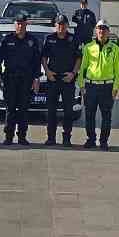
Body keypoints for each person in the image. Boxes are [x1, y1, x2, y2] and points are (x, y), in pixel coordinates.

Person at [0, 13, 42, 145]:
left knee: (23, 109)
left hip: (26, 80)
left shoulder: (32, 41)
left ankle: (22, 136)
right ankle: (8, 136)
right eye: (18, 23)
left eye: (22, 23)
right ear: (14, 24)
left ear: (26, 24)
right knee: (10, 109)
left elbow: (36, 61)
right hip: (10, 78)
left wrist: (36, 78)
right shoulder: (7, 40)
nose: (20, 26)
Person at [80, 20, 119, 149]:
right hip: (91, 85)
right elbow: (83, 67)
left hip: (107, 87)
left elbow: (118, 69)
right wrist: (82, 85)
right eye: (99, 29)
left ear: (108, 32)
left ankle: (104, 141)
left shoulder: (115, 49)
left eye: (104, 29)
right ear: (96, 30)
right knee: (89, 115)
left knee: (106, 115)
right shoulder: (88, 47)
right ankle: (91, 139)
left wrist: (116, 87)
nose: (101, 31)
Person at [40, 15, 82, 145]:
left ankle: (66, 138)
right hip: (53, 78)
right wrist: (47, 71)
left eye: (63, 24)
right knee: (51, 110)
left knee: (68, 110)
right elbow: (43, 58)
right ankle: (51, 137)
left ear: (67, 26)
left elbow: (79, 58)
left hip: (67, 79)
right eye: (58, 24)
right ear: (55, 25)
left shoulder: (74, 39)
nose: (61, 27)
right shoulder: (49, 39)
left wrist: (73, 73)